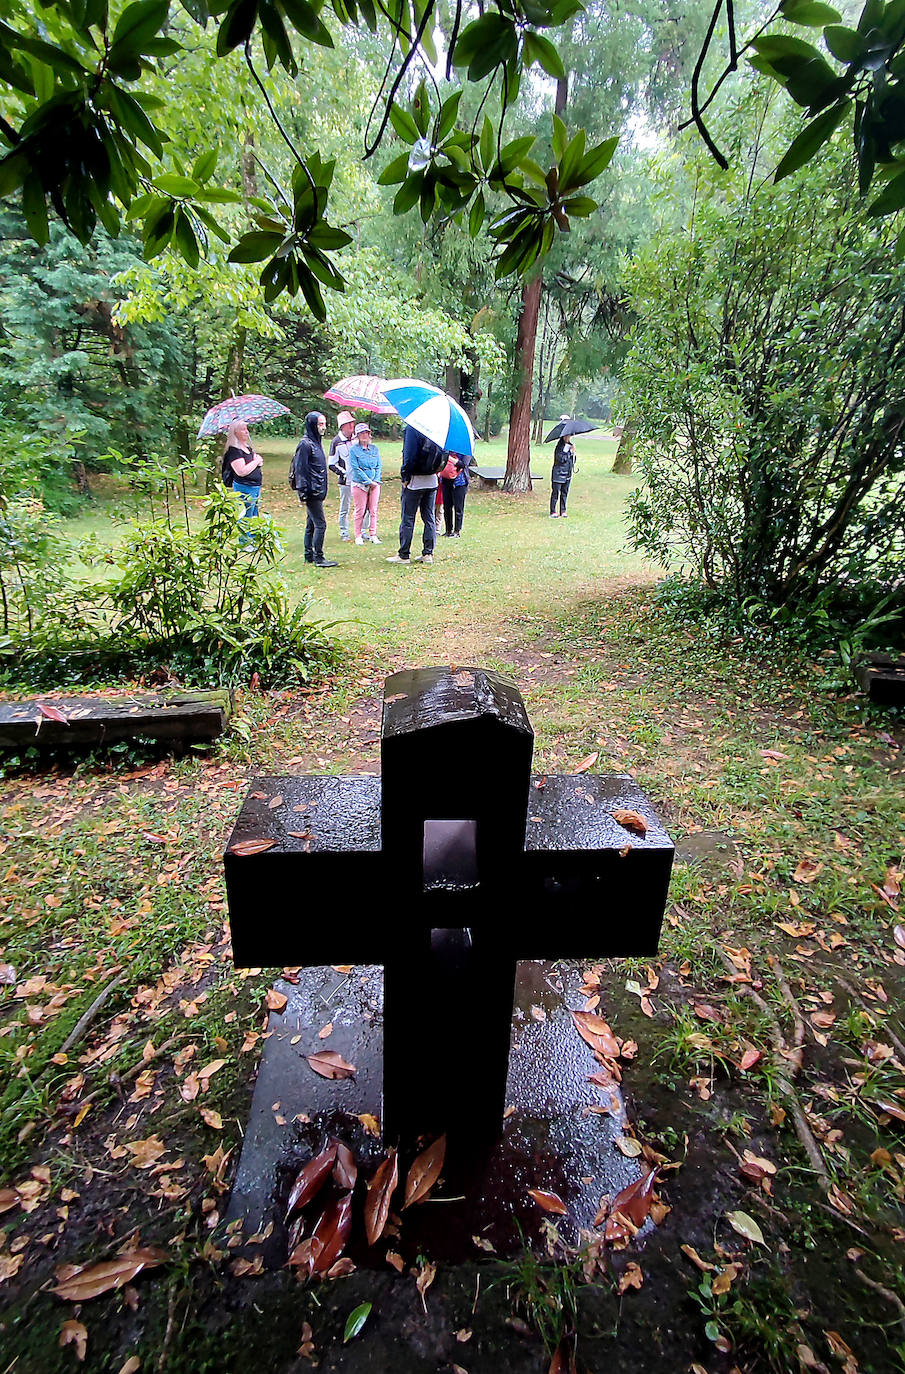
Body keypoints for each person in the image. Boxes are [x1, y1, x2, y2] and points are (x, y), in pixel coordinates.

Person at [387, 425, 443, 565]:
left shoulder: (412, 429)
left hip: (415, 481)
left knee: (408, 518)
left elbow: (409, 456)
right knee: (429, 517)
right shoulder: (437, 428)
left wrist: (405, 477)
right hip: (432, 479)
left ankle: (404, 554)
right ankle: (428, 553)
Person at [292, 411, 337, 568]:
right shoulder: (305, 445)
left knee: (311, 523)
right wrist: (303, 492)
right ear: (312, 425)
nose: (323, 427)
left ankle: (309, 555)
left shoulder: (315, 443)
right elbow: (300, 470)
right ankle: (318, 557)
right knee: (320, 524)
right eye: (320, 424)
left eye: (324, 423)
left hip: (317, 489)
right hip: (312, 491)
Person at [222, 419, 264, 544]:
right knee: (246, 514)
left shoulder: (247, 448)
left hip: (255, 486)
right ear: (235, 432)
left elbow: (258, 462)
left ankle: (254, 539)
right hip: (244, 487)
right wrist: (256, 462)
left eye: (247, 429)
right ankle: (245, 542)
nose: (247, 432)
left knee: (254, 514)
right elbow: (241, 471)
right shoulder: (234, 451)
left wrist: (258, 461)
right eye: (243, 429)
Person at [348, 422, 382, 545]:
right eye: (361, 433)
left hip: (375, 483)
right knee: (360, 510)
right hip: (359, 484)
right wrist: (368, 482)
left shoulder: (374, 449)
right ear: (357, 435)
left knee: (373, 510)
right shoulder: (353, 450)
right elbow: (356, 468)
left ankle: (373, 534)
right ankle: (358, 535)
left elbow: (378, 466)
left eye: (366, 433)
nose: (364, 435)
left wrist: (375, 481)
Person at [328, 411, 355, 541]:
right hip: (345, 481)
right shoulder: (336, 442)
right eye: (349, 423)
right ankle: (344, 532)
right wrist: (343, 473)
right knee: (345, 507)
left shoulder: (357, 438)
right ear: (342, 426)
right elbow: (331, 464)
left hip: (360, 479)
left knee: (364, 507)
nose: (352, 426)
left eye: (352, 423)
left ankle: (363, 531)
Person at [440, 453, 470, 538]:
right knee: (447, 506)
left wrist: (450, 459)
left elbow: (463, 464)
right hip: (446, 480)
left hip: (460, 482)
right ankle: (448, 530)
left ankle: (457, 531)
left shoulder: (466, 450)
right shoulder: (446, 449)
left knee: (458, 507)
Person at [550, 431, 577, 518]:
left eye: (569, 436)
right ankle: (553, 511)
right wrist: (570, 453)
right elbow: (561, 459)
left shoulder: (570, 446)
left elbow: (572, 461)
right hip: (558, 473)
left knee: (564, 493)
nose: (568, 438)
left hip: (567, 474)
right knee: (555, 493)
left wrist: (573, 453)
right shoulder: (559, 447)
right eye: (566, 436)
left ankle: (563, 510)